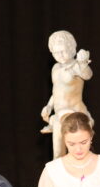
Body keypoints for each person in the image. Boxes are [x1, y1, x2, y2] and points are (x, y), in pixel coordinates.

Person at [40, 30, 94, 158]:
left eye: (62, 51)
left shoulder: (76, 66)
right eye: (56, 52)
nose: (60, 55)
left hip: (75, 114)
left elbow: (87, 75)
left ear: (71, 47)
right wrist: (49, 106)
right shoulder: (55, 68)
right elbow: (57, 91)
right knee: (58, 155)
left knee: (76, 154)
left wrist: (83, 62)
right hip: (60, 115)